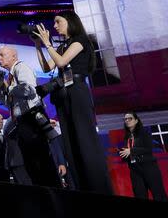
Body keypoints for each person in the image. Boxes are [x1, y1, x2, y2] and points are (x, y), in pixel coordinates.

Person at [34, 10, 113, 194]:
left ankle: (98, 187)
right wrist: (39, 46)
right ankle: (81, 186)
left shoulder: (80, 40)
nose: (54, 26)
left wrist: (48, 43)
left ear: (70, 22)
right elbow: (48, 67)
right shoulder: (63, 45)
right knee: (70, 143)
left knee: (83, 138)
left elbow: (61, 62)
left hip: (77, 91)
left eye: (57, 22)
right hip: (63, 94)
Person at [0, 46, 66, 188]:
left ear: (13, 56)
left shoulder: (21, 67)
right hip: (23, 124)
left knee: (41, 163)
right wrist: (3, 90)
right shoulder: (10, 76)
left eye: (2, 55)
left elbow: (29, 89)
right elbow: (10, 103)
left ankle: (54, 196)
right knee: (32, 165)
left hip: (31, 121)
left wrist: (9, 89)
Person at [119, 111, 167, 201]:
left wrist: (131, 151)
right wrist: (123, 154)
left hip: (149, 167)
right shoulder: (127, 137)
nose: (127, 120)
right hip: (134, 170)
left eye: (130, 118)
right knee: (139, 194)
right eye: (125, 119)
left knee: (158, 194)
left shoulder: (144, 133)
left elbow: (148, 149)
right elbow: (129, 151)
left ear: (136, 120)